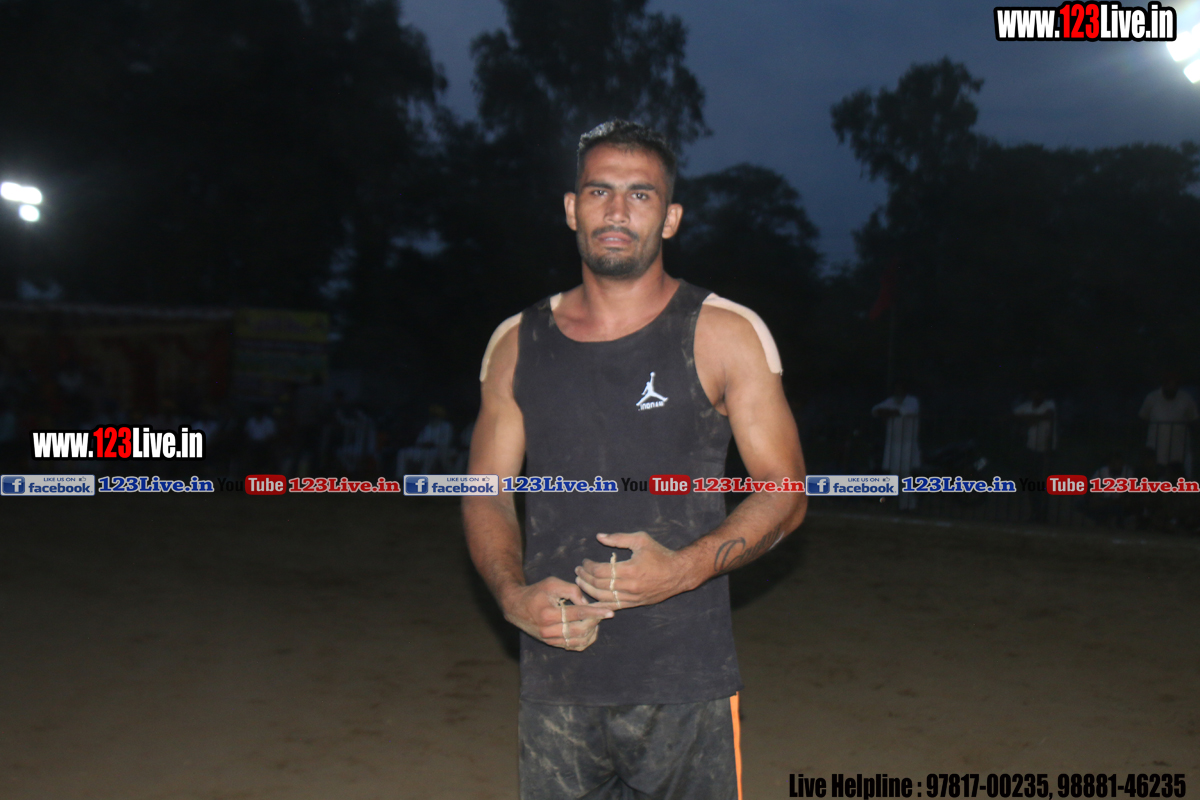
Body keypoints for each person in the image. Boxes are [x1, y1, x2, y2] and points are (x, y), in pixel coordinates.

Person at [462, 119, 807, 800]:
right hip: (558, 677)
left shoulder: (725, 333)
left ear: (670, 218)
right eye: (600, 191)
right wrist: (511, 595)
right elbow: (486, 492)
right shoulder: (516, 343)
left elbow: (787, 492)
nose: (617, 211)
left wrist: (681, 570)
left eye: (640, 195)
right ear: (572, 208)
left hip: (684, 683)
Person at [871, 381, 920, 510]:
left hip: (907, 445)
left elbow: (904, 412)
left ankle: (909, 505)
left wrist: (889, 412)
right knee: (894, 475)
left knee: (905, 475)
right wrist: (890, 412)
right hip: (893, 445)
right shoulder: (891, 401)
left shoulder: (912, 401)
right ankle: (899, 504)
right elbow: (875, 410)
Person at [1139, 372, 1197, 479]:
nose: (1172, 388)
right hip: (1156, 447)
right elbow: (1143, 418)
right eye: (1169, 385)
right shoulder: (1152, 398)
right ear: (1164, 385)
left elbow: (1194, 419)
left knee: (1178, 478)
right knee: (1157, 477)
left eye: (1174, 385)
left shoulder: (1186, 399)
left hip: (1179, 448)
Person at [1013, 387, 1056, 521]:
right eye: (1035, 392)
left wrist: (1029, 418)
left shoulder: (1049, 404)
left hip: (1047, 449)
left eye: (1039, 392)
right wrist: (1035, 418)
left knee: (1043, 481)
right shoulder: (1027, 405)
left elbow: (1048, 415)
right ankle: (1036, 512)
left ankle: (1042, 513)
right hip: (1031, 448)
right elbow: (1013, 415)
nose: (1037, 395)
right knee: (1031, 480)